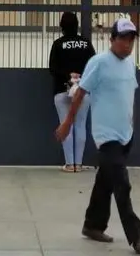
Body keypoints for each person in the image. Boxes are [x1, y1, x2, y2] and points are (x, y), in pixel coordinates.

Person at [55, 17, 140, 254]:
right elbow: (80, 93)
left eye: (131, 39)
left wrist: (132, 122)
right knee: (122, 183)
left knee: (106, 181)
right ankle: (137, 236)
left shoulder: (130, 64)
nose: (128, 44)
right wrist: (68, 123)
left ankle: (93, 225)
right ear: (112, 39)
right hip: (106, 135)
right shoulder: (99, 62)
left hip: (125, 134)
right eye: (123, 38)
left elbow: (129, 96)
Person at [48, 12, 96, 172]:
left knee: (65, 124)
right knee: (80, 126)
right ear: (77, 26)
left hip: (62, 90)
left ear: (61, 26)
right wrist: (80, 79)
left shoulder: (58, 44)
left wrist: (68, 76)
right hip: (83, 91)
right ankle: (79, 164)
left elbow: (53, 68)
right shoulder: (86, 44)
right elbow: (94, 67)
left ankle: (69, 164)